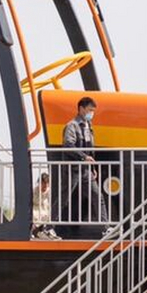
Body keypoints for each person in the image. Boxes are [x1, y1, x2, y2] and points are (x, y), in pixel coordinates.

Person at [59, 97, 101, 237]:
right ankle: (48, 227)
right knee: (64, 198)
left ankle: (106, 227)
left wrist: (92, 167)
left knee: (97, 195)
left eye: (93, 111)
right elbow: (68, 145)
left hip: (86, 170)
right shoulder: (72, 125)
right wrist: (83, 157)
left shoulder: (89, 126)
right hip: (73, 168)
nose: (91, 113)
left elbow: (90, 148)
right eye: (90, 110)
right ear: (81, 108)